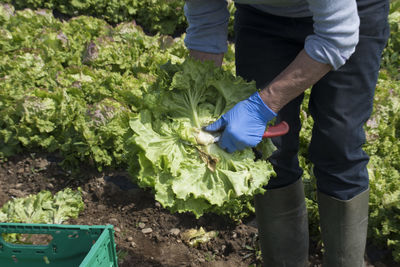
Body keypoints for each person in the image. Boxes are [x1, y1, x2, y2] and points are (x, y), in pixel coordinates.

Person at [184, 0, 390, 266]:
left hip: (350, 13)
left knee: (340, 143)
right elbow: (205, 18)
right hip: (264, 18)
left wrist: (260, 107)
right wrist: (200, 100)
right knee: (270, 153)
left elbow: (337, 35)